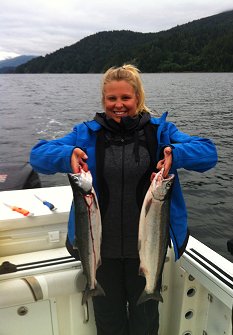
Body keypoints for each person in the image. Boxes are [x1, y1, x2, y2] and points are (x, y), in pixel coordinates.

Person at [30, 64, 218, 335]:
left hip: (146, 249)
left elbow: (208, 153)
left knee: (145, 321)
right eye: (112, 99)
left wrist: (175, 154)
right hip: (98, 250)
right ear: (104, 100)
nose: (119, 105)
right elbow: (38, 155)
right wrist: (66, 155)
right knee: (108, 322)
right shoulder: (86, 135)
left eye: (125, 98)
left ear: (138, 98)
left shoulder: (161, 132)